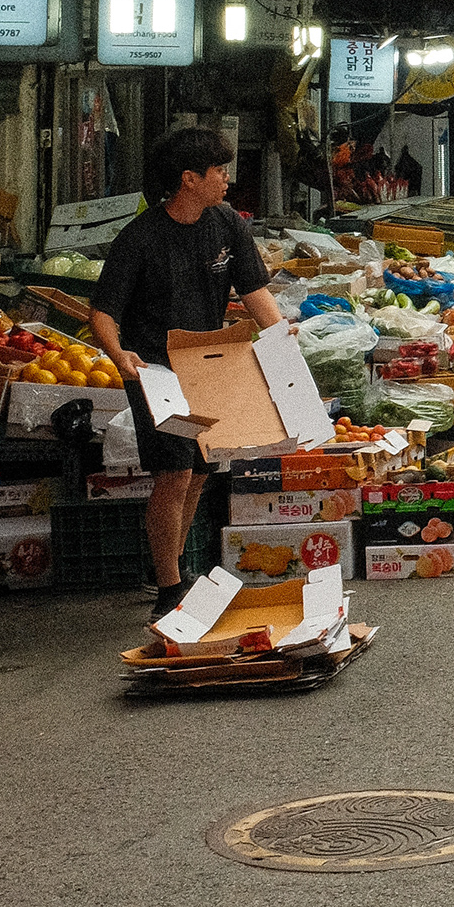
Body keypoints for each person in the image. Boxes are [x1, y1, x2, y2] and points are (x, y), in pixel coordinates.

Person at [89, 128, 285, 616]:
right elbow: (103, 312)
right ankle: (168, 590)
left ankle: (173, 566)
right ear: (188, 179)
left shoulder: (227, 224)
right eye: (218, 172)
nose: (227, 179)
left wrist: (283, 341)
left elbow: (254, 290)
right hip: (156, 371)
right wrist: (119, 354)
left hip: (205, 367)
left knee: (198, 473)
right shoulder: (141, 238)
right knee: (174, 473)